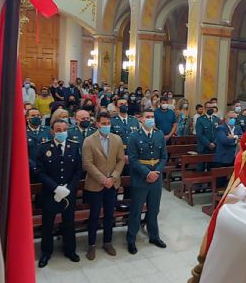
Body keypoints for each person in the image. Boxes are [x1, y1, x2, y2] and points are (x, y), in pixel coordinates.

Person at [35, 119, 82, 267]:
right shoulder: (43, 148)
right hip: (50, 193)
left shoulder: (74, 146)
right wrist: (55, 188)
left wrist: (69, 188)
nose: (62, 132)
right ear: (52, 131)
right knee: (48, 224)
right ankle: (46, 252)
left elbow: (78, 170)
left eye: (64, 129)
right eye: (58, 130)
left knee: (69, 222)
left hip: (69, 192)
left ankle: (70, 250)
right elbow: (40, 172)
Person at [82, 112, 125, 260]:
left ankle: (107, 242)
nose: (106, 126)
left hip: (112, 184)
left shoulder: (117, 139)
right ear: (97, 124)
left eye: (108, 124)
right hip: (95, 184)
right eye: (104, 123)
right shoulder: (89, 141)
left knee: (109, 215)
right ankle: (91, 245)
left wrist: (113, 177)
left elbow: (120, 160)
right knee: (94, 216)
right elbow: (87, 164)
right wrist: (103, 179)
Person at [126, 109, 168, 254]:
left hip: (156, 178)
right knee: (136, 210)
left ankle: (154, 236)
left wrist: (156, 172)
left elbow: (164, 157)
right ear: (141, 119)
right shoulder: (133, 136)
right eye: (147, 117)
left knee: (154, 209)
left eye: (152, 117)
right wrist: (147, 173)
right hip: (140, 178)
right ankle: (131, 239)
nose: (150, 119)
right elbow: (132, 159)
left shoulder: (159, 134)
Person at [111, 98, 140, 175]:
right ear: (116, 107)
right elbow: (110, 140)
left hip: (133, 154)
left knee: (132, 177)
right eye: (121, 104)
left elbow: (138, 137)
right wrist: (122, 155)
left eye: (125, 104)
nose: (124, 106)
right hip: (118, 154)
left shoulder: (134, 120)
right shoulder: (112, 121)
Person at [26, 108, 52, 182]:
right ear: (27, 118)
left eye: (38, 115)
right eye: (33, 116)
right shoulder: (23, 132)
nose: (36, 117)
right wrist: (33, 166)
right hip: (30, 170)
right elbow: (22, 153)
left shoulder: (48, 130)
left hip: (47, 169)